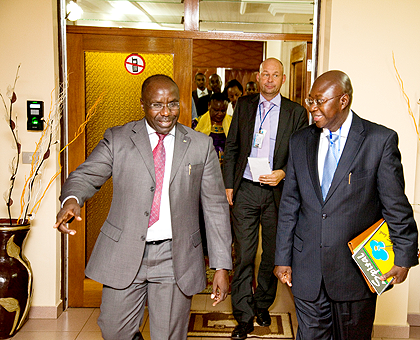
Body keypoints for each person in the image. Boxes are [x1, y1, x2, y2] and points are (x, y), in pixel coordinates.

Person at [53, 74, 233, 340]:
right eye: (156, 105)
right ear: (142, 104)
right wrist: (71, 201)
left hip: (175, 256)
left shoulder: (200, 145)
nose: (166, 112)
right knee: (114, 330)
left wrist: (221, 265)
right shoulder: (119, 138)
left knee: (169, 336)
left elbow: (215, 207)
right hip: (124, 251)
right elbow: (85, 176)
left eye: (173, 104)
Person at [274, 70, 419, 340]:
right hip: (307, 269)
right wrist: (282, 257)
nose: (312, 107)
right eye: (310, 100)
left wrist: (404, 256)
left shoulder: (379, 141)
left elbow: (395, 205)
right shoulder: (300, 141)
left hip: (354, 273)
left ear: (343, 101)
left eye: (320, 101)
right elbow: (290, 203)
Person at [223, 58, 308, 339]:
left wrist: (283, 172)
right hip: (246, 189)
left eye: (276, 75)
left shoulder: (296, 113)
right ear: (258, 77)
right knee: (244, 254)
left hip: (278, 193)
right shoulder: (244, 106)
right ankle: (243, 316)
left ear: (283, 79)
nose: (270, 79)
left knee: (273, 254)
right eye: (265, 74)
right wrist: (228, 185)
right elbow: (232, 145)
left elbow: (301, 155)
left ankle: (262, 304)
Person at [193, 92, 231, 166]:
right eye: (216, 110)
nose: (220, 114)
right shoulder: (197, 123)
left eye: (223, 111)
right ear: (209, 106)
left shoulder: (232, 123)